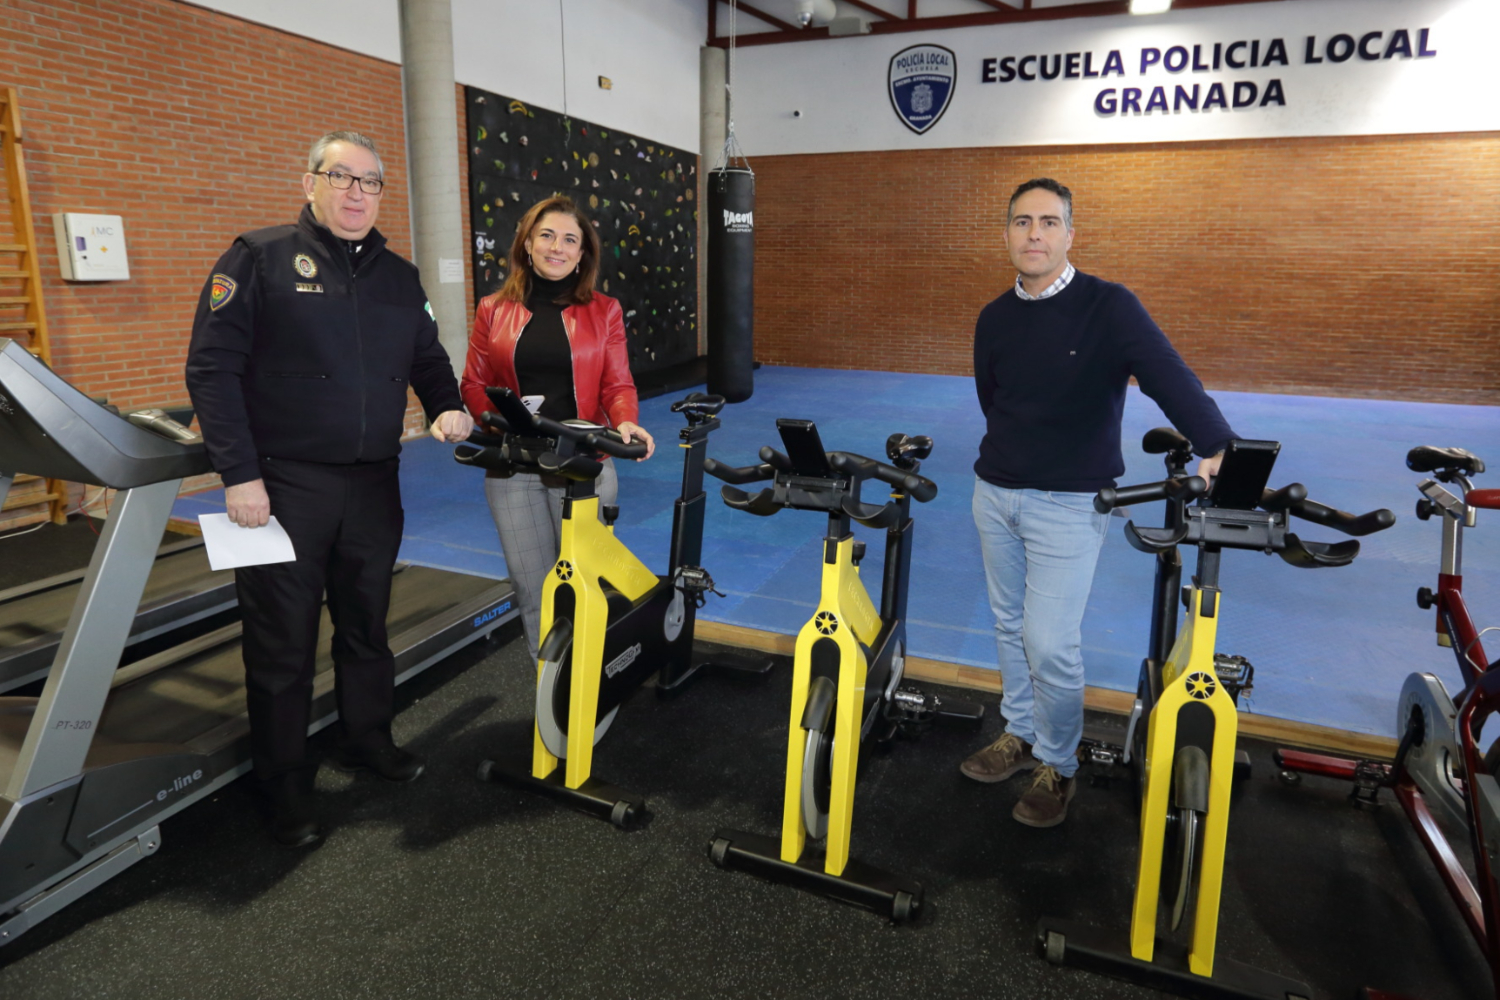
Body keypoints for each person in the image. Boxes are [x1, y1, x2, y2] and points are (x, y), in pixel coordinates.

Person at [185, 131, 474, 848]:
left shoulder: (400, 278)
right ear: (308, 180)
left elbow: (429, 359)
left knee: (366, 625)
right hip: (282, 486)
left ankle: (365, 739)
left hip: (375, 484)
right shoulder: (257, 258)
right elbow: (211, 370)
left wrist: (446, 404)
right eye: (340, 177)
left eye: (370, 182)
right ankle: (282, 782)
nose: (355, 193)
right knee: (282, 642)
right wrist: (240, 474)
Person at [962, 178, 1235, 828]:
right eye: (1022, 222)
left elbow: (1168, 374)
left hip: (1070, 504)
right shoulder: (994, 317)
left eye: (1049, 223)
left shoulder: (1110, 307)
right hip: (994, 492)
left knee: (1050, 641)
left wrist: (1219, 442)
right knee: (1007, 624)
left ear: (1069, 236)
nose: (1035, 234)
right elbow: (991, 396)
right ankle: (1020, 732)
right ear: (1006, 234)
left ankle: (1059, 762)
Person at [461, 196, 654, 662]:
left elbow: (616, 382)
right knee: (533, 589)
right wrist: (503, 422)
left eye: (571, 239)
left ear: (583, 253)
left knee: (588, 586)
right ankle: (552, 697)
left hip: (582, 463)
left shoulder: (603, 309)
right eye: (546, 235)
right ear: (527, 243)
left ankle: (594, 688)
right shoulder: (493, 308)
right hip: (515, 465)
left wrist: (626, 418)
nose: (557, 247)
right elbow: (474, 382)